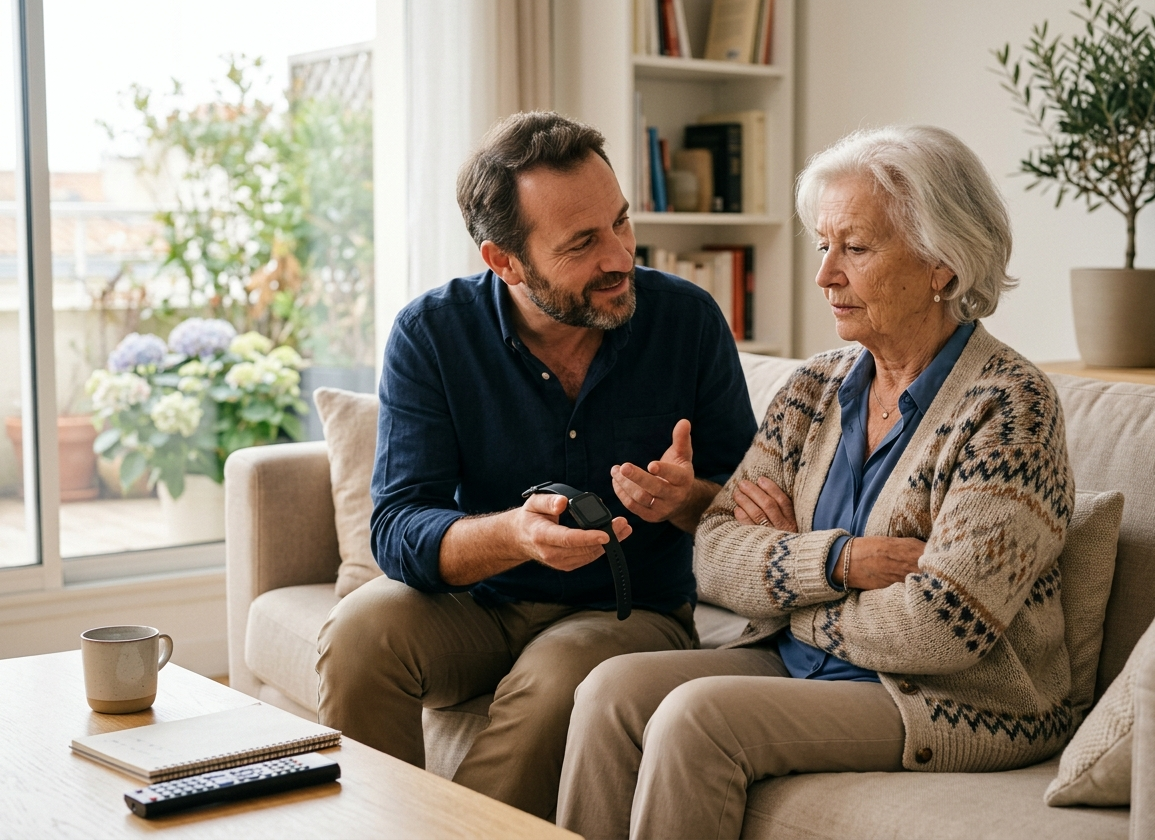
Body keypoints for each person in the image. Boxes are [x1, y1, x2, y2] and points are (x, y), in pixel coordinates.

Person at [556, 125, 1076, 839]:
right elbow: (711, 551)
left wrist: (784, 582)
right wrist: (835, 562)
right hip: (800, 663)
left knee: (697, 720)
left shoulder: (1010, 407)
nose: (825, 274)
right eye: (823, 245)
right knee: (610, 692)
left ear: (943, 267)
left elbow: (941, 627)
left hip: (946, 698)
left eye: (855, 248)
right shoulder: (815, 387)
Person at [315, 112, 757, 818]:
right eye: (583, 243)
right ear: (505, 261)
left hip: (630, 608)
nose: (618, 256)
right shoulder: (432, 335)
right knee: (359, 633)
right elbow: (398, 526)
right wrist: (515, 535)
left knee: (557, 680)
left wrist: (687, 499)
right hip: (479, 601)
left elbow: (755, 505)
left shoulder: (688, 321)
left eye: (620, 223)